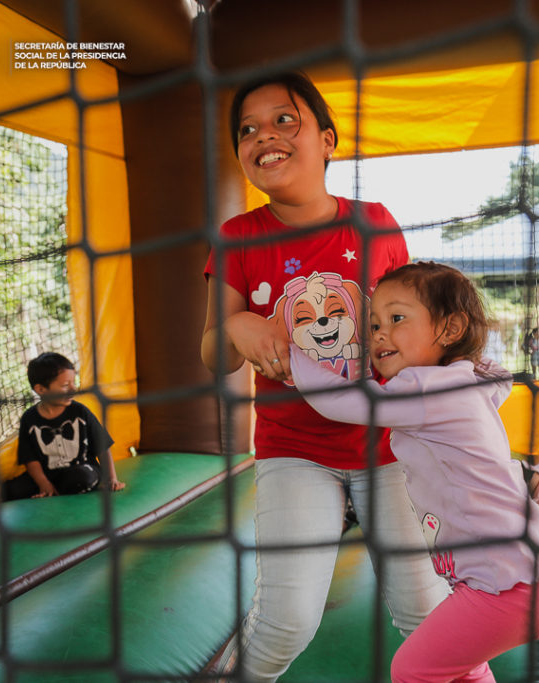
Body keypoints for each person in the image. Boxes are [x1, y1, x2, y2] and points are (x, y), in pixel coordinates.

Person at [200, 71, 448, 681]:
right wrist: (238, 328)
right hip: (294, 451)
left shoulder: (375, 222)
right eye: (248, 129)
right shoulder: (237, 237)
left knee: (426, 608)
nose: (266, 136)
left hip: (386, 448)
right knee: (287, 616)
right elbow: (212, 353)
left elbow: (407, 324)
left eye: (286, 119)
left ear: (329, 140)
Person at [288, 262, 539, 682]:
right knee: (463, 666)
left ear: (450, 328)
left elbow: (339, 402)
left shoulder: (424, 387)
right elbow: (497, 374)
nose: (379, 333)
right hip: (535, 575)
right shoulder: (465, 380)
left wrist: (293, 349)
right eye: (375, 323)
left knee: (412, 669)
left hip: (508, 583)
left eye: (397, 319)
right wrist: (455, 347)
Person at [2, 352, 124, 500]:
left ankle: (58, 491)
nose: (73, 389)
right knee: (9, 490)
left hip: (82, 469)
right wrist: (43, 483)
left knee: (82, 478)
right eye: (66, 385)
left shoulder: (80, 412)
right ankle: (51, 490)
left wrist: (111, 478)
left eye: (74, 382)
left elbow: (102, 447)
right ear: (41, 389)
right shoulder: (29, 419)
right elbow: (30, 459)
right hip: (50, 474)